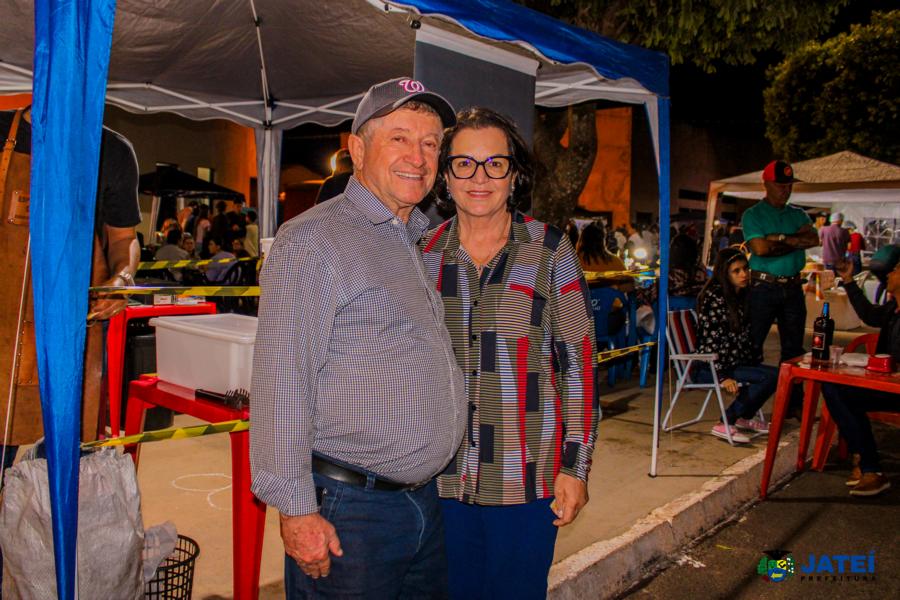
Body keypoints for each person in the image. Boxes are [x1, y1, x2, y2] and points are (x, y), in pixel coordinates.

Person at [250, 77, 465, 599]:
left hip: (420, 504)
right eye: (399, 138)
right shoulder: (315, 240)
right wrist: (297, 511)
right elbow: (282, 382)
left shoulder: (411, 238)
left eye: (430, 143)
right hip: (351, 513)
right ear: (358, 149)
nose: (418, 157)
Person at [422, 107, 599, 600]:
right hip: (440, 483)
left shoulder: (550, 251)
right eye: (464, 164)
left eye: (494, 164)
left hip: (527, 483)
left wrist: (576, 467)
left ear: (514, 174)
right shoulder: (422, 255)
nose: (479, 178)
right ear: (445, 176)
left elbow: (578, 365)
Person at [822, 257, 900, 496]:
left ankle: (867, 464)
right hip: (886, 384)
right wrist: (848, 280)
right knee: (834, 388)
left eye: (896, 269)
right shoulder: (893, 309)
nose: (889, 273)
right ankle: (867, 463)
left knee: (843, 395)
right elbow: (869, 315)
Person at [695, 248, 778, 444]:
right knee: (767, 377)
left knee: (778, 374)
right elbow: (710, 341)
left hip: (734, 362)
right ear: (725, 273)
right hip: (710, 366)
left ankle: (742, 417)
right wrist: (722, 376)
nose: (744, 274)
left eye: (745, 269)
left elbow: (744, 337)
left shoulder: (741, 295)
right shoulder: (714, 297)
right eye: (736, 271)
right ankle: (726, 420)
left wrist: (753, 360)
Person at [741, 160, 819, 364]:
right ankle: (751, 383)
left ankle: (789, 386)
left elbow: (813, 239)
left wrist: (779, 238)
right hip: (763, 286)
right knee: (752, 344)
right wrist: (796, 240)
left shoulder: (798, 213)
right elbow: (760, 249)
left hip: (792, 286)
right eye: (781, 185)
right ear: (766, 184)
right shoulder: (753, 214)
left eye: (789, 185)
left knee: (794, 350)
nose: (786, 190)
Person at [578, 221, 632, 335]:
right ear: (603, 241)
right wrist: (610, 291)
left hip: (578, 323)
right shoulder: (615, 262)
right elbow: (629, 286)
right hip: (608, 323)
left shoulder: (570, 261)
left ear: (581, 240)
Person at [668, 232, 708, 306]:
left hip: (674, 309)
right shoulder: (702, 270)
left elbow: (652, 293)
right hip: (698, 309)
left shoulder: (671, 275)